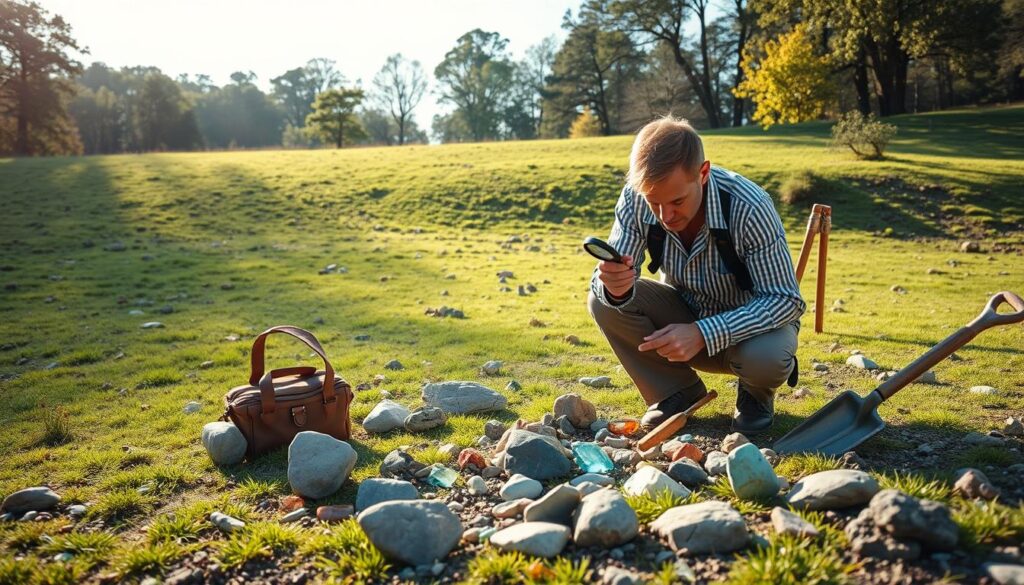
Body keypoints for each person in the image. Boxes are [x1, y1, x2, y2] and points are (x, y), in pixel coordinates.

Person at [588, 116, 805, 435]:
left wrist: (704, 332)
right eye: (654, 202)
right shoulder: (637, 196)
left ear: (702, 174)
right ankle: (676, 392)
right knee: (601, 300)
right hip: (681, 319)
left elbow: (786, 300)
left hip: (751, 335)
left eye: (677, 201)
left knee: (766, 356)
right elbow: (610, 276)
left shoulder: (749, 205)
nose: (665, 216)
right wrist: (615, 285)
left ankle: (755, 396)